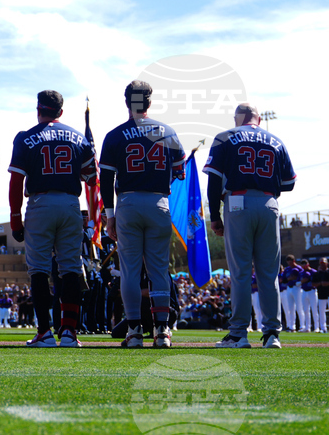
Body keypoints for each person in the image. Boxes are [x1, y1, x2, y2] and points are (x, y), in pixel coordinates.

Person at [8, 90, 97, 348]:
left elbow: (16, 181)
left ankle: (45, 331)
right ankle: (69, 332)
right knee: (70, 268)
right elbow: (92, 177)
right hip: (70, 203)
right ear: (61, 111)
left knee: (39, 269)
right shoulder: (78, 137)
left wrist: (15, 216)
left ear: (39, 109)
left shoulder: (26, 138)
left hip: (41, 203)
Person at [102, 80, 185, 349]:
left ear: (127, 102)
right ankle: (162, 331)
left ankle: (135, 331)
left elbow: (105, 179)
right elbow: (179, 171)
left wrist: (109, 215)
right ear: (149, 102)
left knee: (129, 270)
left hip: (127, 202)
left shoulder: (115, 135)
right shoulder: (168, 132)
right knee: (159, 270)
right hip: (159, 201)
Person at [206, 102, 296, 349]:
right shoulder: (275, 140)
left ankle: (238, 334)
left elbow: (213, 180)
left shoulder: (226, 137)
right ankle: (272, 335)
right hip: (269, 203)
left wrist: (215, 215)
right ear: (257, 118)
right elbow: (289, 183)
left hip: (238, 202)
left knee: (241, 273)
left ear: (240, 117)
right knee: (269, 274)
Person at [314, 258, 329, 334]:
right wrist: (320, 283)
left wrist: (326, 283)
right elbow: (313, 283)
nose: (322, 264)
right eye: (321, 263)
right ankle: (323, 328)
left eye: (324, 263)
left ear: (327, 263)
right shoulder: (318, 273)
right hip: (321, 294)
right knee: (322, 312)